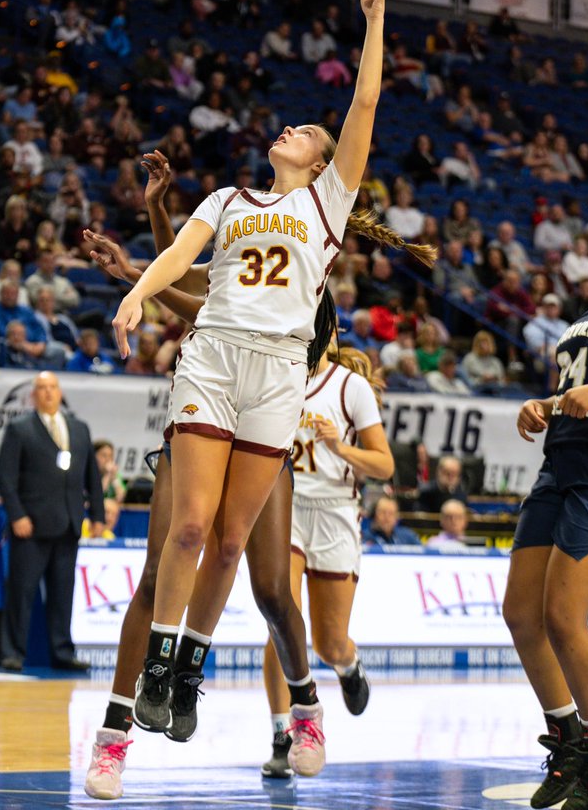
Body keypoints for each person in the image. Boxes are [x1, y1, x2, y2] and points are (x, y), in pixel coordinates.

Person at [109, 0, 417, 748]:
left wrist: (375, 18)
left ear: (320, 163)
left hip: (281, 371)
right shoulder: (226, 200)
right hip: (213, 356)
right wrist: (138, 290)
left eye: (305, 133)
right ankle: (158, 666)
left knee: (235, 541)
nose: (292, 130)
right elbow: (182, 258)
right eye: (293, 127)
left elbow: (368, 100)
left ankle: (187, 670)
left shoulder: (326, 201)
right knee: (189, 527)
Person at [83, 151, 434, 797]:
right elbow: (204, 292)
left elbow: (205, 293)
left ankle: (305, 710)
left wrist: (142, 276)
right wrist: (145, 248)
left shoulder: (309, 257)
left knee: (273, 590)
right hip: (207, 402)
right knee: (160, 570)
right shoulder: (236, 214)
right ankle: (115, 734)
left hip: (267, 424)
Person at [503, 233, 588, 810]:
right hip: (561, 462)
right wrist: (543, 404)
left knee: (562, 616)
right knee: (520, 614)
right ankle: (569, 742)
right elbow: (576, 390)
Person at [262, 344, 394, 768]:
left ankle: (347, 664)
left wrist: (339, 448)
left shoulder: (350, 387)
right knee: (281, 619)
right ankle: (284, 734)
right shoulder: (275, 372)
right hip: (286, 505)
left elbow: (385, 465)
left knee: (328, 642)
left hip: (336, 512)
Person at [0, 371, 105, 672]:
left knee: (63, 594)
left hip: (69, 524)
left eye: (52, 387)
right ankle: (13, 652)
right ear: (33, 395)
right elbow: (5, 477)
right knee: (22, 592)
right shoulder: (20, 429)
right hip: (30, 526)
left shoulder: (79, 428)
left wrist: (97, 515)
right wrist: (17, 515)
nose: (47, 393)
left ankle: (62, 651)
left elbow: (92, 477)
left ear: (60, 392)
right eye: (41, 388)